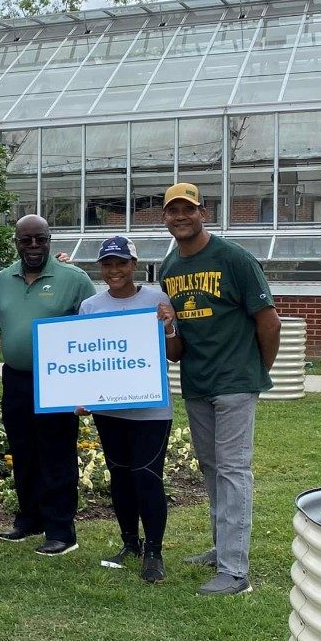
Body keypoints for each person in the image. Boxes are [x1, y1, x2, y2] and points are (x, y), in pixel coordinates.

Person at [159, 183, 280, 596]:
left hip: (234, 382)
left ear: (203, 213)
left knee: (233, 470)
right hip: (197, 382)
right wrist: (167, 329)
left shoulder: (234, 259)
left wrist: (256, 370)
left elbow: (269, 321)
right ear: (165, 218)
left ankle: (235, 571)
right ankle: (221, 547)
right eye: (173, 211)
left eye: (188, 209)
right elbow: (176, 347)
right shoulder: (169, 267)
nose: (181, 217)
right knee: (211, 467)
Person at [77, 237, 182, 583]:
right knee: (120, 476)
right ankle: (130, 543)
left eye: (121, 263)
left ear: (134, 265)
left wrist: (168, 326)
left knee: (147, 477)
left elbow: (175, 354)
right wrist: (79, 396)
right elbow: (86, 359)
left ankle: (154, 551)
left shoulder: (156, 300)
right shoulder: (90, 306)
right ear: (100, 268)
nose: (114, 270)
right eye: (107, 264)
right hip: (110, 410)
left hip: (150, 410)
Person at [0, 215, 95, 555]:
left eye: (40, 239)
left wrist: (87, 386)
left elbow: (93, 329)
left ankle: (61, 530)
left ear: (50, 240)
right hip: (16, 377)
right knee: (22, 451)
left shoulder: (74, 278)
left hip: (58, 379)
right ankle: (29, 518)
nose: (34, 246)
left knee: (56, 453)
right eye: (26, 240)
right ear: (16, 242)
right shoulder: (1, 280)